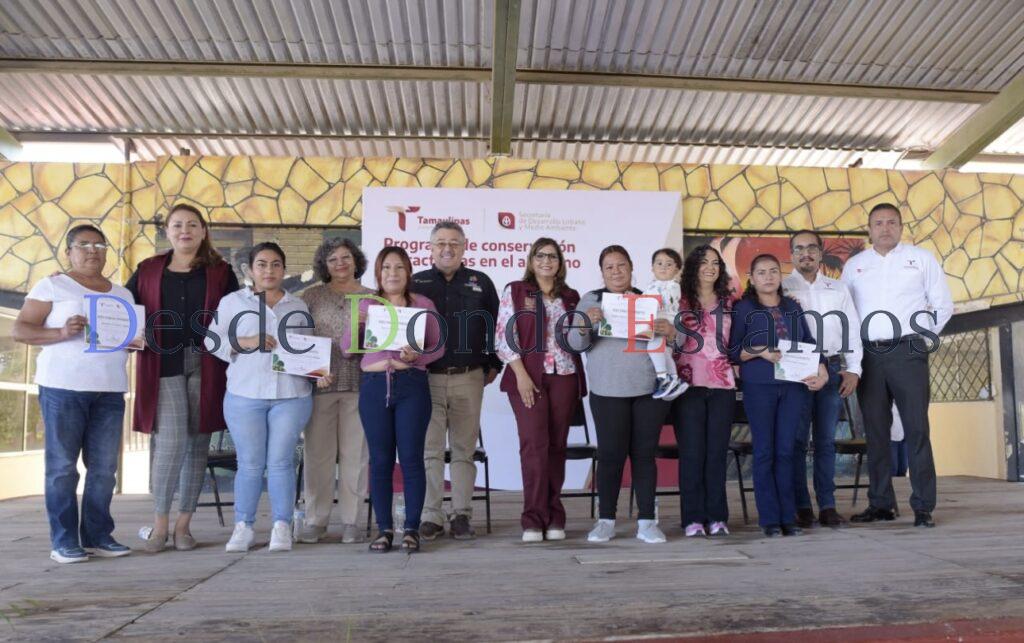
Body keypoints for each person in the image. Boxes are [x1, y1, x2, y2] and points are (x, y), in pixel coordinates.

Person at [13, 225, 134, 563]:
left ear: (107, 251)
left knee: (104, 469)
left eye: (99, 244)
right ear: (68, 252)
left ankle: (98, 535)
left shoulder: (122, 294)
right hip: (63, 387)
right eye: (83, 244)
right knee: (63, 468)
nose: (92, 250)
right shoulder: (52, 285)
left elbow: (126, 337)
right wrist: (61, 332)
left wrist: (134, 341)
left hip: (110, 389)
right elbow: (20, 329)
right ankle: (64, 541)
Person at [126, 204, 239, 553]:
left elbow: (237, 314)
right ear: (167, 231)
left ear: (204, 231)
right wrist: (127, 334)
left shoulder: (221, 272)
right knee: (172, 442)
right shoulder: (147, 269)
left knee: (196, 446)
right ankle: (160, 525)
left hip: (207, 365)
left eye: (192, 224)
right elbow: (124, 308)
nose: (185, 230)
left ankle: (183, 527)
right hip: (162, 363)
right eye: (177, 225)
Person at [841, 203, 953, 528]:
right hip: (868, 355)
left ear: (901, 227)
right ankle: (881, 504)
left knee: (917, 430)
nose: (885, 228)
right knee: (875, 432)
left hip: (908, 352)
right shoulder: (855, 266)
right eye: (878, 223)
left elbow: (943, 304)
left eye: (892, 222)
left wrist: (921, 338)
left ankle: (923, 506)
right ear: (869, 229)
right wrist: (851, 358)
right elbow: (846, 313)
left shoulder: (921, 259)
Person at [206, 242, 319, 553]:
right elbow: (212, 342)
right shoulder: (233, 302)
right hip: (245, 395)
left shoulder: (297, 306)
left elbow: (308, 350)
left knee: (281, 462)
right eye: (262, 264)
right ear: (251, 270)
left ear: (284, 269)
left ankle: (282, 525)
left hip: (291, 395)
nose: (269, 270)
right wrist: (246, 341)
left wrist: (319, 369)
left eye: (276, 265)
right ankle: (244, 526)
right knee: (250, 464)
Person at [342, 246, 445, 553]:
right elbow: (347, 350)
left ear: (408, 272)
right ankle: (384, 529)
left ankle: (411, 528)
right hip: (374, 386)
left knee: (412, 458)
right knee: (380, 460)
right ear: (378, 273)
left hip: (411, 384)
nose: (392, 274)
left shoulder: (423, 304)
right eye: (386, 268)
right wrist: (358, 322)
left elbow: (438, 347)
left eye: (399, 268)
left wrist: (419, 354)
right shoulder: (366, 305)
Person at [568, 245, 671, 544]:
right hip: (607, 390)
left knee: (644, 456)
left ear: (630, 268)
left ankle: (648, 522)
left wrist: (668, 330)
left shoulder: (649, 299)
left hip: (648, 390)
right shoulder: (590, 300)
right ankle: (606, 520)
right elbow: (575, 343)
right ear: (601, 272)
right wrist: (587, 321)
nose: (616, 271)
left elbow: (670, 344)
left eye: (621, 265)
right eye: (609, 267)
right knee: (611, 457)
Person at [410, 221, 501, 541]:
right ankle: (431, 516)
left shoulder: (481, 282)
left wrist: (494, 364)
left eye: (453, 243)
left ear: (465, 246)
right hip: (427, 379)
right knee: (430, 451)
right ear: (430, 247)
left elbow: (496, 327)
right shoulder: (416, 282)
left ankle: (462, 514)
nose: (447, 248)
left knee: (464, 450)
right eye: (440, 243)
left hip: (469, 377)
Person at [729, 254, 829, 537]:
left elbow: (810, 344)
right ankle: (770, 519)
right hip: (760, 386)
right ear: (752, 277)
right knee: (765, 452)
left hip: (794, 386)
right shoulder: (743, 309)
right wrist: (760, 351)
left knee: (786, 452)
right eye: (761, 272)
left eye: (774, 271)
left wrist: (821, 371)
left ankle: (789, 516)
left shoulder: (792, 308)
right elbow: (733, 351)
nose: (769, 277)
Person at [495, 238, 587, 542]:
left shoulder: (571, 296)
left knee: (556, 446)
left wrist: (588, 325)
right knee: (534, 445)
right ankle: (533, 518)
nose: (546, 261)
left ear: (561, 263)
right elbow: (505, 336)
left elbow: (579, 339)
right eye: (540, 255)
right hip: (528, 377)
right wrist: (520, 374)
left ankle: (554, 516)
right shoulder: (517, 290)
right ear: (531, 260)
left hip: (565, 376)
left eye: (552, 256)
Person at [782, 230, 863, 529]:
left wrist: (854, 368)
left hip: (832, 367)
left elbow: (851, 329)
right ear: (791, 254)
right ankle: (802, 506)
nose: (806, 253)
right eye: (799, 248)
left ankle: (827, 506)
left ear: (820, 252)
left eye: (811, 248)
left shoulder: (837, 288)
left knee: (827, 442)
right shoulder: (781, 287)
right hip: (796, 370)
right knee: (796, 441)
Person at [295, 238, 372, 545]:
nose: (340, 263)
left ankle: (353, 521)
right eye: (332, 260)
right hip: (321, 387)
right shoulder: (311, 296)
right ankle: (316, 520)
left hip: (361, 385)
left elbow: (381, 341)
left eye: (345, 257)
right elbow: (299, 340)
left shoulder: (374, 298)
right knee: (318, 457)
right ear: (323, 266)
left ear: (356, 260)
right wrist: (315, 374)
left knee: (356, 456)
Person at [669, 244, 736, 537]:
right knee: (692, 454)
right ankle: (693, 519)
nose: (710, 267)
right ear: (693, 266)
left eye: (715, 263)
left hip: (722, 385)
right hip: (687, 385)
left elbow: (739, 340)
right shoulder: (677, 300)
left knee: (716, 454)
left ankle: (717, 517)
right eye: (704, 262)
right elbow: (666, 340)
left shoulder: (731, 301)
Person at [644, 248, 687, 400]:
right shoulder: (651, 285)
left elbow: (667, 300)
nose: (663, 267)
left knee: (653, 346)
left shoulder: (672, 285)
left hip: (665, 320)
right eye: (659, 263)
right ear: (652, 268)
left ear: (676, 269)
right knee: (664, 352)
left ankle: (662, 377)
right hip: (655, 320)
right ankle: (674, 378)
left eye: (669, 264)